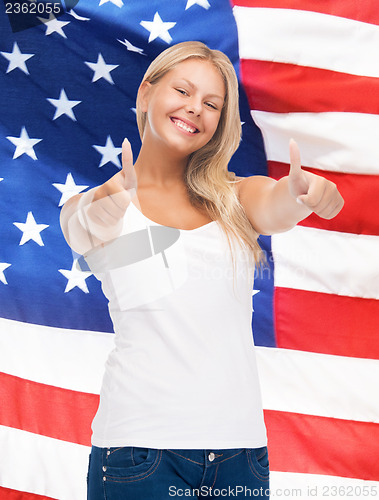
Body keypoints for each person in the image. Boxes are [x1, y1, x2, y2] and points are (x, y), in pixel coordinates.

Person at [60, 41, 344, 500]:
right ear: (147, 93)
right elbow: (80, 226)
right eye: (183, 91)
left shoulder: (235, 197)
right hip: (139, 455)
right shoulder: (99, 203)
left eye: (212, 104)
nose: (195, 109)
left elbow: (275, 205)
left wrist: (301, 194)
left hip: (241, 457)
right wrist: (108, 204)